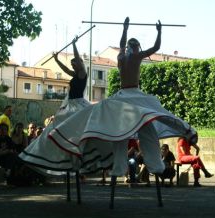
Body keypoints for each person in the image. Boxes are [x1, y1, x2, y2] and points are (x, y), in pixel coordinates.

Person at [48, 17, 197, 179]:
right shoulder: (134, 56)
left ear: (129, 47)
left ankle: (123, 167)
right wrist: (158, 31)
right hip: (130, 94)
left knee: (127, 130)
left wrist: (126, 28)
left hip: (125, 96)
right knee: (152, 118)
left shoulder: (124, 57)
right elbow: (155, 46)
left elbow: (128, 44)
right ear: (136, 47)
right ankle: (176, 142)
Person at [19, 36, 91, 174]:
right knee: (56, 125)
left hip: (78, 104)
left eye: (74, 64)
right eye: (72, 65)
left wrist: (75, 45)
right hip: (71, 104)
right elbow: (65, 68)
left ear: (79, 63)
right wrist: (57, 60)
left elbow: (78, 60)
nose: (72, 66)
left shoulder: (82, 73)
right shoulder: (75, 74)